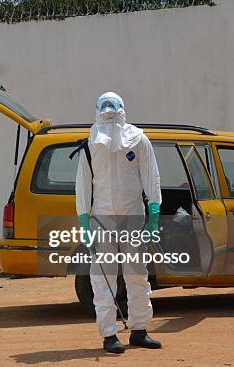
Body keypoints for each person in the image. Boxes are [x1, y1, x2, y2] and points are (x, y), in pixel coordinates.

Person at [75, 92, 162, 353]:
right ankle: (109, 335)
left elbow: (152, 178)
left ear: (123, 110)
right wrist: (84, 226)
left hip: (133, 218)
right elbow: (82, 186)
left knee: (137, 277)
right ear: (97, 111)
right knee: (104, 280)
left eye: (113, 106)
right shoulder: (90, 144)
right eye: (105, 107)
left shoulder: (139, 141)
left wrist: (153, 218)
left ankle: (139, 330)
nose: (109, 111)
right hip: (101, 220)